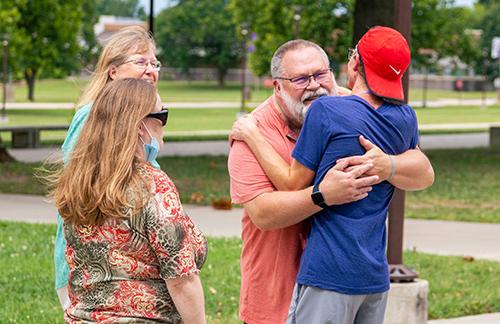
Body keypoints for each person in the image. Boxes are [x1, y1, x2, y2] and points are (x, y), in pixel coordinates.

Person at [227, 39, 434, 324]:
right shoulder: (255, 130)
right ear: (277, 86)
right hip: (278, 293)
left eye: (320, 74)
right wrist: (322, 194)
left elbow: (423, 170)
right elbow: (263, 213)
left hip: (341, 279)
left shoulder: (353, 108)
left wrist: (388, 164)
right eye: (300, 78)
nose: (314, 85)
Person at [49, 78, 207, 323]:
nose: (164, 125)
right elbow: (182, 280)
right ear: (138, 126)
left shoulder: (77, 181)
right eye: (162, 115)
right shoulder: (154, 185)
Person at [54, 26, 161, 308]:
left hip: (128, 266)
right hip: (91, 267)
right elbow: (83, 187)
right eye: (141, 61)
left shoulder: (139, 119)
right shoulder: (91, 116)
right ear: (113, 71)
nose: (151, 70)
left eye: (154, 62)